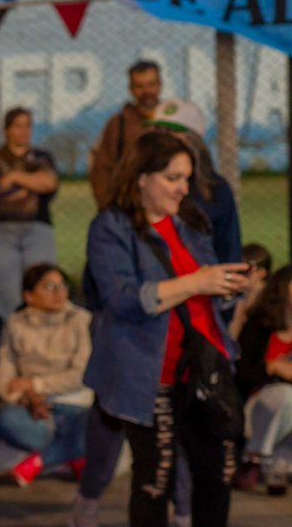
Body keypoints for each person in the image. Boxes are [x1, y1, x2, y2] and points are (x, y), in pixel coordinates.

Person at [80, 130, 247, 527]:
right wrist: (198, 282)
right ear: (141, 176)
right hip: (149, 372)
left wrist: (228, 287)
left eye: (186, 178)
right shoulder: (112, 227)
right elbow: (122, 299)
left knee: (219, 473)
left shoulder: (191, 220)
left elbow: (206, 289)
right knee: (155, 480)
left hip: (202, 366)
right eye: (172, 178)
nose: (182, 188)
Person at [0, 263, 92, 487]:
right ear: (29, 295)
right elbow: (3, 372)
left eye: (61, 285)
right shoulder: (16, 323)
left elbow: (81, 374)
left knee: (98, 426)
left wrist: (34, 385)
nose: (58, 292)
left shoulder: (80, 320)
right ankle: (71, 456)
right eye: (48, 286)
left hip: (76, 406)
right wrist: (23, 398)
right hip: (35, 409)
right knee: (8, 420)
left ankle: (40, 461)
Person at [0, 107, 59, 322]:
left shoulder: (41, 157)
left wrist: (13, 177)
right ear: (6, 130)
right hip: (3, 229)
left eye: (28, 125)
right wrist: (28, 186)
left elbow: (49, 182)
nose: (24, 131)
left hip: (37, 226)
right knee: (4, 293)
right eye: (18, 125)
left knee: (43, 284)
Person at [149, 98, 242, 265]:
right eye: (158, 130)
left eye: (171, 132)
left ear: (193, 139)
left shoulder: (215, 189)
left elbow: (230, 252)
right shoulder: (140, 184)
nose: (162, 139)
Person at [234, 265, 292, 494]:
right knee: (286, 395)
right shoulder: (260, 325)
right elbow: (240, 374)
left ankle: (277, 463)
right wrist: (273, 367)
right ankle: (255, 458)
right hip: (257, 407)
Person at [89, 60, 162, 209]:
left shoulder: (173, 120)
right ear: (131, 89)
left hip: (166, 206)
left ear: (160, 85)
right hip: (129, 208)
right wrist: (108, 206)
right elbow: (102, 169)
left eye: (151, 84)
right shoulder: (118, 124)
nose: (146, 91)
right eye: (139, 86)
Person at [230, 243, 273, 339]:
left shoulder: (271, 304)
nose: (238, 275)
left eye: (245, 270)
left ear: (262, 273)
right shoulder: (237, 296)